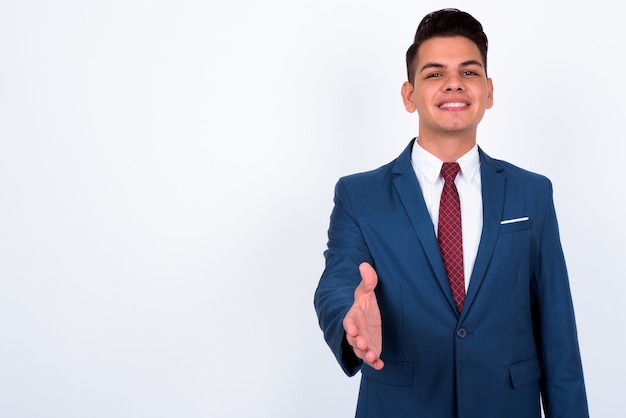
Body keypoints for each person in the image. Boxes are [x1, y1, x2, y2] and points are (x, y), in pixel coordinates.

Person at [313, 8, 589, 418]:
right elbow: (337, 283)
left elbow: (558, 334)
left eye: (469, 72)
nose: (454, 84)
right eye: (435, 73)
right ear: (410, 95)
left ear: (489, 92)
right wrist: (350, 317)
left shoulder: (532, 194)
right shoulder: (359, 195)